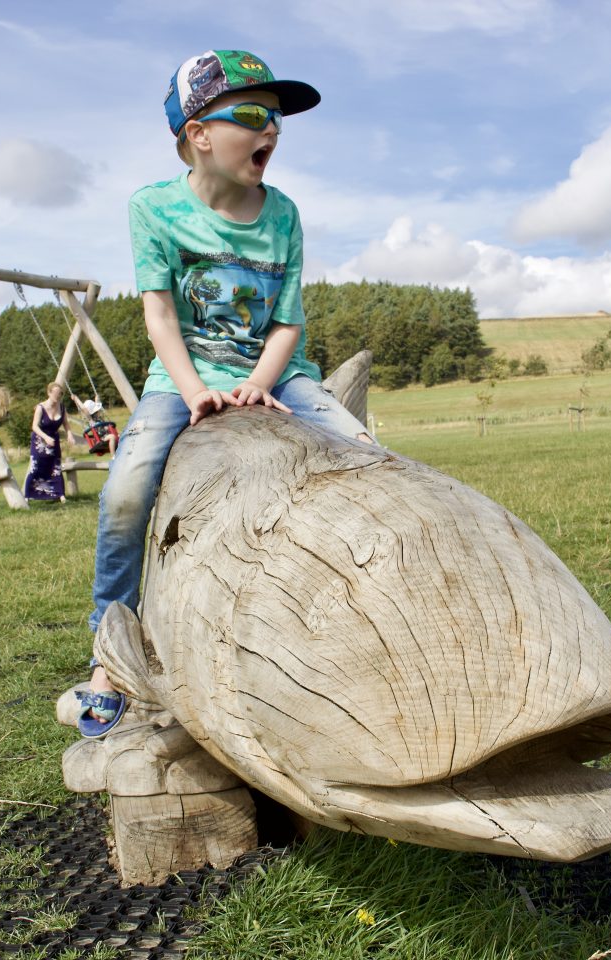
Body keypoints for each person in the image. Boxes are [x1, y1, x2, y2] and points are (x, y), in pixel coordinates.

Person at [74, 49, 374, 738]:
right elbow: (159, 315)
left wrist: (258, 386)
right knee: (124, 494)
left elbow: (290, 321)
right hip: (182, 374)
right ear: (198, 133)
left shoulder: (284, 213)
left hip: (278, 371)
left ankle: (350, 633)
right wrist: (196, 392)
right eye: (250, 115)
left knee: (367, 452)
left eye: (276, 119)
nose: (270, 129)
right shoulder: (153, 208)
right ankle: (107, 655)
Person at [24, 382, 68, 502]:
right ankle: (28, 495)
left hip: (54, 441)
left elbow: (66, 424)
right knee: (36, 466)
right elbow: (34, 426)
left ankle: (60, 494)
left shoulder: (62, 407)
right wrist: (45, 438)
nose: (58, 396)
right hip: (40, 441)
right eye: (55, 393)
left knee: (56, 467)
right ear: (49, 393)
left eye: (60, 394)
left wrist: (70, 435)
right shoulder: (40, 407)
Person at [70, 391, 117, 456]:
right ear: (94, 412)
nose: (99, 412)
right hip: (100, 439)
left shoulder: (99, 418)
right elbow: (84, 409)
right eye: (97, 411)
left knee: (118, 436)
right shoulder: (91, 420)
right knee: (112, 437)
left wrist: (97, 398)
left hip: (106, 436)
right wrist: (76, 399)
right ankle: (113, 456)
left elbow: (98, 403)